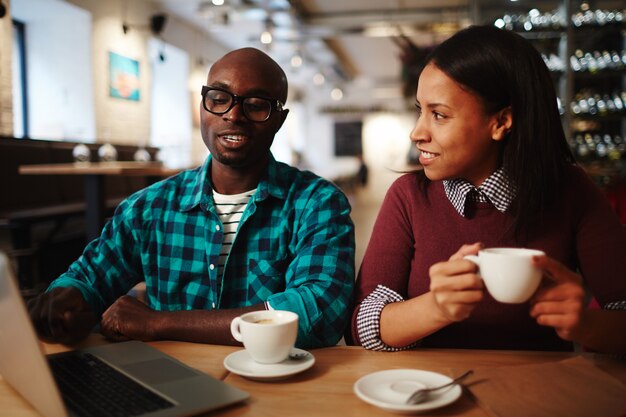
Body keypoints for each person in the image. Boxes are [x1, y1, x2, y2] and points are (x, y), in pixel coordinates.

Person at [28, 47, 355, 349]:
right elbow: (89, 277)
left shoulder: (317, 204)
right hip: (170, 380)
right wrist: (65, 299)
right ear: (203, 107)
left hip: (274, 384)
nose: (233, 115)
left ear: (279, 120)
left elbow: (319, 313)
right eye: (219, 98)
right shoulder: (149, 208)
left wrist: (158, 323)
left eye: (256, 105)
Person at [347, 25, 626, 354]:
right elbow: (361, 327)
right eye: (419, 111)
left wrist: (583, 323)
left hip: (536, 397)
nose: (417, 132)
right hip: (427, 393)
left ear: (501, 122)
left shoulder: (571, 191)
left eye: (438, 115)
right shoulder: (409, 196)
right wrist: (435, 308)